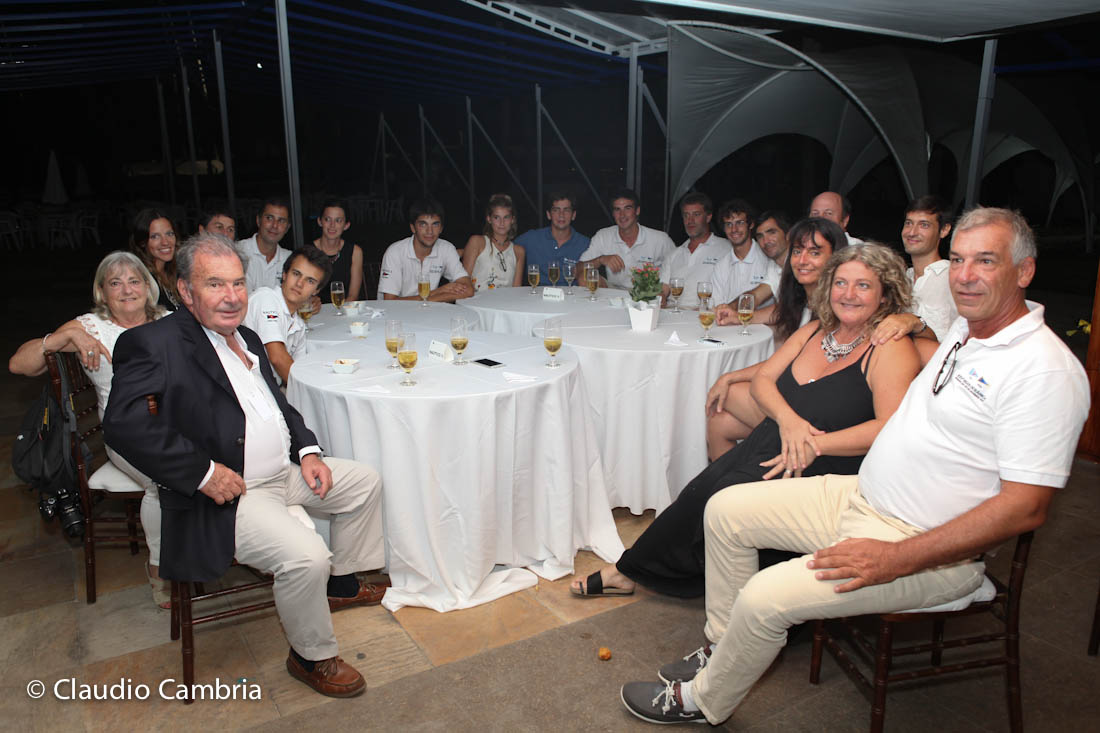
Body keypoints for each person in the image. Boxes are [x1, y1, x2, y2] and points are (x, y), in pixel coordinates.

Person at [619, 207, 1090, 725]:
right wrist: (911, 320)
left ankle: (702, 701)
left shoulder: (1044, 371)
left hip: (922, 546)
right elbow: (912, 347)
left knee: (763, 597)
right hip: (864, 496)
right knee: (724, 509)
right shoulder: (966, 332)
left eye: (985, 261)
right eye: (957, 260)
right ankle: (724, 647)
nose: (964, 275)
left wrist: (896, 558)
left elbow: (1026, 508)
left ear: (1024, 271)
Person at [102, 233, 388, 698]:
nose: (232, 296)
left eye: (238, 283)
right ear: (185, 290)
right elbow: (122, 424)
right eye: (215, 284)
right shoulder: (154, 342)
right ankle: (310, 656)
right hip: (231, 493)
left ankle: (341, 584)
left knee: (365, 482)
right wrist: (203, 473)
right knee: (306, 556)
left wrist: (308, 452)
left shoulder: (247, 336)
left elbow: (280, 407)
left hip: (281, 475)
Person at [573, 242, 917, 599]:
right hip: (773, 438)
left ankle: (654, 575)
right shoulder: (816, 331)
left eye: (863, 285)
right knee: (697, 492)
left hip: (824, 462)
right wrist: (788, 420)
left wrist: (813, 443)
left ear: (885, 294)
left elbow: (887, 428)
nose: (848, 294)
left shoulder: (890, 348)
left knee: (721, 497)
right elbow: (764, 380)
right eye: (841, 283)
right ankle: (633, 570)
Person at [9, 252, 170, 607]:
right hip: (127, 435)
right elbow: (19, 364)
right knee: (166, 482)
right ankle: (160, 570)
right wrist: (63, 338)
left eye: (134, 281)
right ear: (102, 292)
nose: (126, 290)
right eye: (115, 283)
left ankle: (220, 546)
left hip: (178, 427)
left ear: (148, 287)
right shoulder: (91, 327)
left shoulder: (170, 322)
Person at [708, 219, 849, 460]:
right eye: (797, 251)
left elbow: (788, 364)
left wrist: (729, 377)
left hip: (815, 409)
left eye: (814, 253)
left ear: (836, 258)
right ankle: (735, 479)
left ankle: (789, 446)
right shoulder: (802, 301)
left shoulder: (841, 308)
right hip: (796, 392)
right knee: (718, 422)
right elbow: (777, 314)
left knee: (726, 394)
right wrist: (738, 317)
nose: (802, 260)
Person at [871, 195, 958, 364]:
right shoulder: (900, 279)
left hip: (940, 369)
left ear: (944, 230)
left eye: (924, 225)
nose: (912, 232)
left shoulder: (953, 276)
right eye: (909, 223)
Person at [243, 247, 331, 385]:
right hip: (246, 387)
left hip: (269, 388)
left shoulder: (298, 325)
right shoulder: (266, 298)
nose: (299, 283)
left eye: (310, 281)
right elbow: (277, 358)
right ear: (284, 274)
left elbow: (298, 370)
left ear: (316, 290)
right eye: (296, 274)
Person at [378, 198, 474, 302]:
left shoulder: (446, 248)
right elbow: (390, 302)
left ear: (441, 228)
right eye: (423, 224)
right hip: (394, 312)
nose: (430, 231)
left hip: (429, 310)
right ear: (413, 228)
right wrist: (438, 292)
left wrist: (429, 299)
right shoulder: (395, 252)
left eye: (435, 224)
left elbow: (468, 290)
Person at [579, 188, 675, 290]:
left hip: (647, 292)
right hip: (614, 292)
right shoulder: (603, 236)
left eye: (627, 208)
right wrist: (600, 259)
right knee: (584, 278)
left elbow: (679, 268)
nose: (622, 215)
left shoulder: (660, 239)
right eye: (617, 209)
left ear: (637, 211)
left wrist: (663, 291)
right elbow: (578, 269)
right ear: (613, 213)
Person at [659, 193, 730, 309]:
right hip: (673, 313)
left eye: (696, 214)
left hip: (707, 314)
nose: (690, 220)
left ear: (708, 217)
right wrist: (660, 297)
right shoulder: (674, 254)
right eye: (686, 215)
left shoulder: (726, 249)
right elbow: (663, 289)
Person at [711, 199, 781, 307]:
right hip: (729, 317)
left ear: (751, 224)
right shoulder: (721, 266)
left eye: (739, 223)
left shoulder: (769, 259)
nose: (734, 229)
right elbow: (717, 306)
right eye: (729, 224)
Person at [515, 190, 590, 284]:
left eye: (566, 210)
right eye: (556, 210)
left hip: (571, 293)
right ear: (548, 214)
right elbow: (505, 247)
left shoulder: (586, 244)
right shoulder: (531, 238)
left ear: (573, 215)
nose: (561, 215)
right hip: (536, 293)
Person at [462, 193, 526, 291]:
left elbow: (516, 291)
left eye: (506, 217)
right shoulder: (477, 242)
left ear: (512, 219)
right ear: (489, 219)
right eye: (496, 217)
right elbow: (463, 282)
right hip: (477, 299)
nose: (502, 223)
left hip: (507, 300)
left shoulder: (519, 251)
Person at [129, 207, 181, 312]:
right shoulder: (140, 279)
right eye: (155, 236)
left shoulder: (177, 271)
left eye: (169, 234)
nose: (165, 242)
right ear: (142, 242)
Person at [312, 199, 363, 303]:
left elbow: (353, 296)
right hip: (315, 310)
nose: (332, 225)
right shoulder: (308, 252)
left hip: (345, 308)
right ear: (320, 221)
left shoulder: (355, 252)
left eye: (338, 220)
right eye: (327, 219)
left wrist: (340, 310)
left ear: (346, 225)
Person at [240, 197, 293, 293]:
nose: (275, 225)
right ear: (258, 221)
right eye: (269, 218)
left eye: (281, 221)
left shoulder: (290, 259)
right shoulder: (239, 251)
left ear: (287, 228)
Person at [743, 210, 790, 304]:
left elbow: (789, 307)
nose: (766, 241)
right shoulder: (773, 265)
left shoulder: (801, 263)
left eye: (772, 232)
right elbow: (756, 296)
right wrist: (728, 308)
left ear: (788, 234)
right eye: (760, 236)